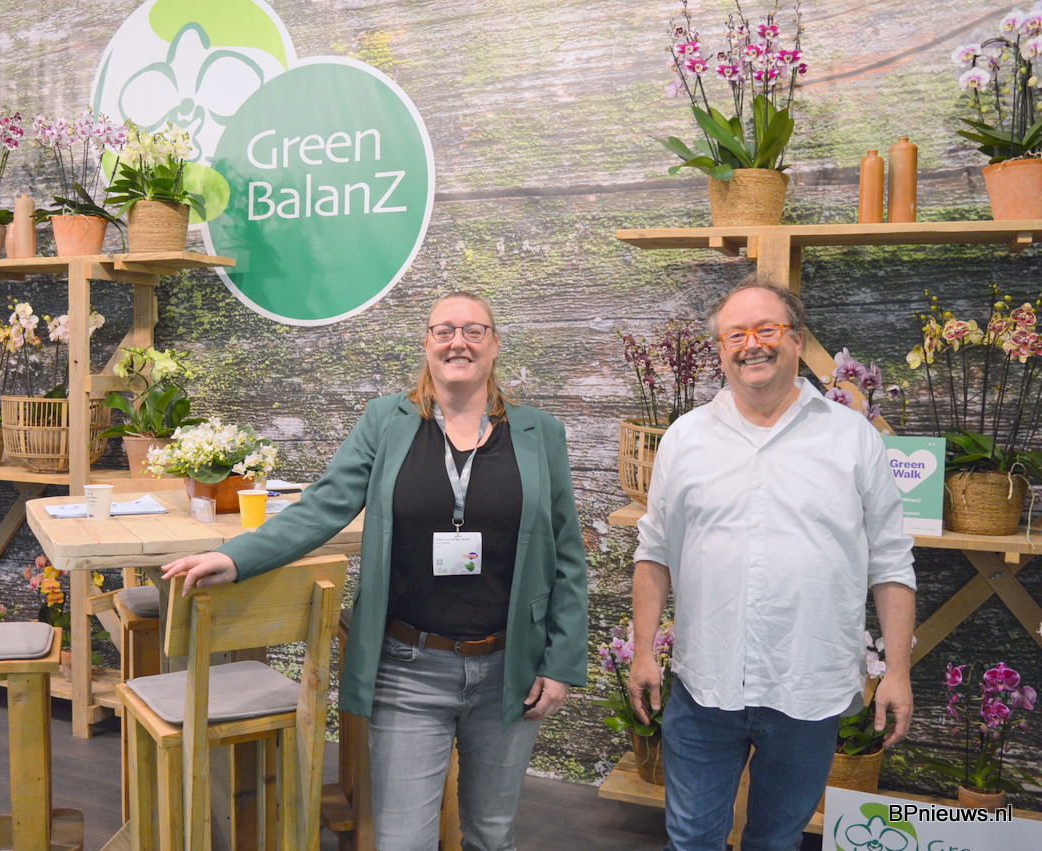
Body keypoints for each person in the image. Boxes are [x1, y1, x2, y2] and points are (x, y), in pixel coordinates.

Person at [161, 292, 588, 850]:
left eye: (473, 330)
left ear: (494, 344)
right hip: (409, 669)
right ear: (426, 343)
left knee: (491, 834)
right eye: (444, 330)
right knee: (402, 841)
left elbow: (567, 554)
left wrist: (561, 662)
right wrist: (236, 557)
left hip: (510, 668)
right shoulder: (387, 420)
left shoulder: (540, 433)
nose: (458, 342)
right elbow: (322, 506)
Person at [629, 278, 916, 850]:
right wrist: (642, 652)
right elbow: (654, 551)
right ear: (720, 350)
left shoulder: (852, 438)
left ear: (796, 339)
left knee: (777, 840)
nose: (751, 345)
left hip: (808, 688)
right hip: (705, 685)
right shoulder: (685, 438)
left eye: (766, 329)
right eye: (735, 335)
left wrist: (898, 671)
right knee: (691, 838)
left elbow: (890, 562)